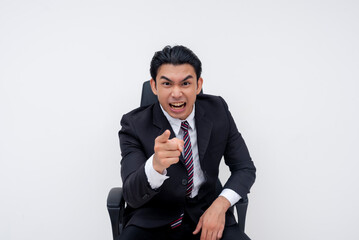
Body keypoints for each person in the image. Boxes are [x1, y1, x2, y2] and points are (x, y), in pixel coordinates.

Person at [118, 45, 256, 240]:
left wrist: (220, 205)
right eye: (167, 84)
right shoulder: (133, 125)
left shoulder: (218, 110)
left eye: (185, 84)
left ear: (198, 85)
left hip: (207, 214)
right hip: (152, 219)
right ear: (154, 86)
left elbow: (244, 168)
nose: (176, 93)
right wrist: (155, 166)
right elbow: (131, 195)